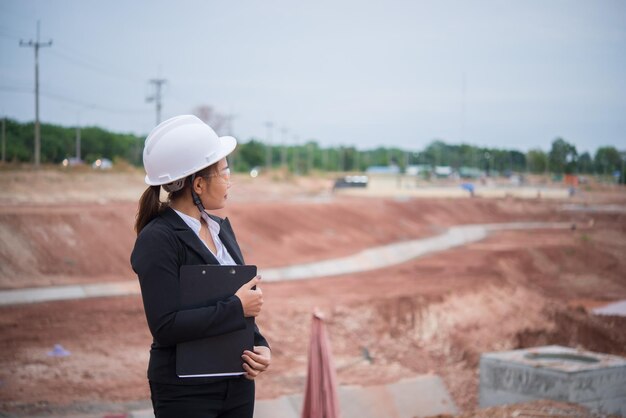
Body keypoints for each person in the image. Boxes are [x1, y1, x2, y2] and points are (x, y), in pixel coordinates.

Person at [130, 115, 271, 418]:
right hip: (185, 392)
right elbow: (165, 326)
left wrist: (260, 345)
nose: (229, 179)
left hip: (237, 383)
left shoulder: (220, 229)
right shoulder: (159, 239)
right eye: (224, 171)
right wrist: (236, 307)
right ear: (198, 184)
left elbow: (239, 302)